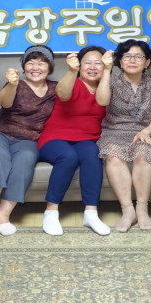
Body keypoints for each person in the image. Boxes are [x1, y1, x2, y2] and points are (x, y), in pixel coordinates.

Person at [95, 40, 151, 232]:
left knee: (143, 154)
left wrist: (146, 132)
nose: (132, 60)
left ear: (147, 62)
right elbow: (102, 101)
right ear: (120, 61)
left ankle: (142, 209)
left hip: (144, 131)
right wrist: (106, 70)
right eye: (127, 56)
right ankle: (128, 210)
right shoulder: (111, 81)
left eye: (138, 56)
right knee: (113, 155)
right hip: (113, 131)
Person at [0, 45, 58, 236]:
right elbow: (4, 102)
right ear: (24, 67)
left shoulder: (55, 89)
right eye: (30, 62)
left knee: (25, 160)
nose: (35, 67)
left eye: (41, 63)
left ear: (49, 67)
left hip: (28, 138)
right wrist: (12, 85)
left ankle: (3, 215)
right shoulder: (15, 84)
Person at [37, 46, 111, 236]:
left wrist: (107, 72)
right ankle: (51, 212)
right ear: (79, 65)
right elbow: (62, 94)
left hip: (86, 139)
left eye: (98, 63)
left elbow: (103, 101)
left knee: (93, 154)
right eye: (87, 63)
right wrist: (71, 71)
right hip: (55, 137)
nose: (92, 67)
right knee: (68, 156)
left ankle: (91, 213)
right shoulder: (72, 81)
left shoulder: (106, 85)